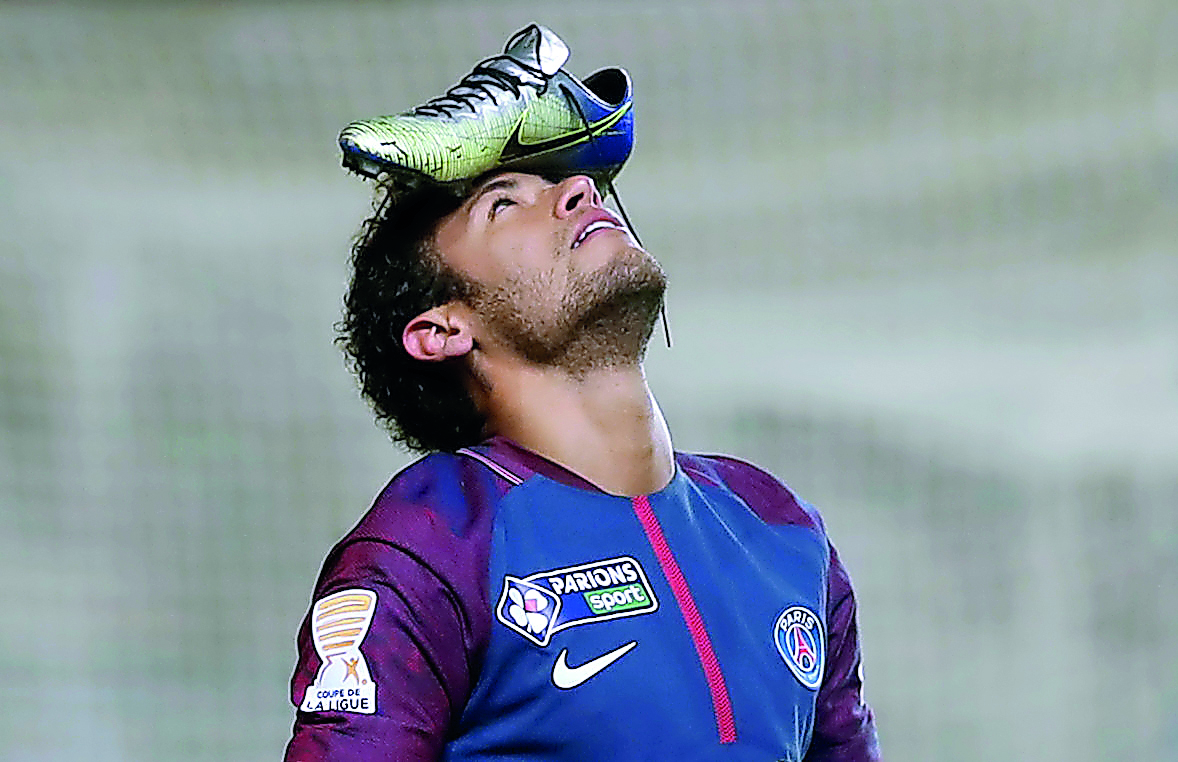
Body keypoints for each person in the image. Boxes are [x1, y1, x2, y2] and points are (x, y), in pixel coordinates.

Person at [285, 24, 881, 762]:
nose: (577, 189)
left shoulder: (783, 531)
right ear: (441, 331)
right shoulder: (431, 545)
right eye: (504, 204)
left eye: (567, 183)